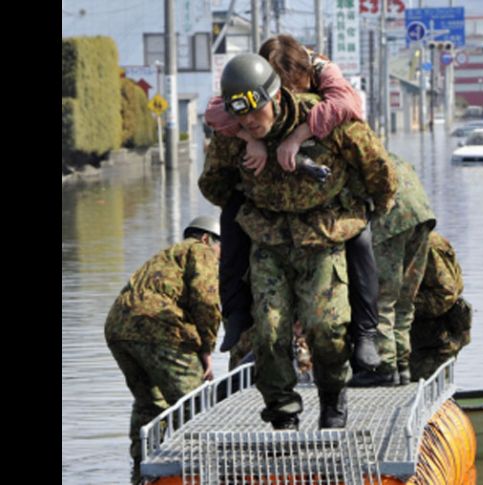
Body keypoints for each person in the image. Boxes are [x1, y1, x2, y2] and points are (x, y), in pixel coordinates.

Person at [199, 53, 397, 430]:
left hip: (323, 238)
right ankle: (282, 410)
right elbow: (213, 183)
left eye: (255, 113)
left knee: (325, 326)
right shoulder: (235, 131)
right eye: (241, 117)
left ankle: (333, 398)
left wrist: (371, 207)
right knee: (269, 332)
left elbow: (378, 167)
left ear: (275, 97)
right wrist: (246, 156)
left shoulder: (323, 117)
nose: (249, 122)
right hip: (269, 242)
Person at [104, 216, 222, 484]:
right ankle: (202, 470)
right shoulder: (200, 250)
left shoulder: (165, 257)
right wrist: (206, 347)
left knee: (150, 403)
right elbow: (206, 299)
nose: (222, 256)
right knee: (196, 402)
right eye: (221, 247)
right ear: (206, 238)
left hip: (118, 328)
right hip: (158, 327)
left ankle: (140, 471)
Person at [349, 155, 436, 387]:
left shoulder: (345, 156)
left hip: (391, 219)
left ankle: (384, 367)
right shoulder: (384, 153)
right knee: (405, 300)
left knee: (381, 298)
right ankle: (403, 367)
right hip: (421, 213)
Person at [409, 231, 472, 381]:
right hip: (415, 340)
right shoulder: (402, 241)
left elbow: (445, 296)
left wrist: (401, 305)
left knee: (426, 393)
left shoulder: (427, 244)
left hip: (433, 342)